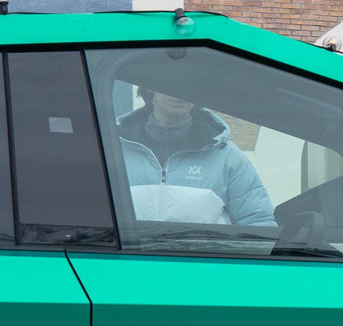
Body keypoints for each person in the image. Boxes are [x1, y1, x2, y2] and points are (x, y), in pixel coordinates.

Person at [116, 88, 276, 229]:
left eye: (191, 85)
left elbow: (258, 226)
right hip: (127, 263)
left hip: (203, 263)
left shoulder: (227, 157)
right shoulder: (113, 150)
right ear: (150, 88)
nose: (181, 92)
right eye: (172, 82)